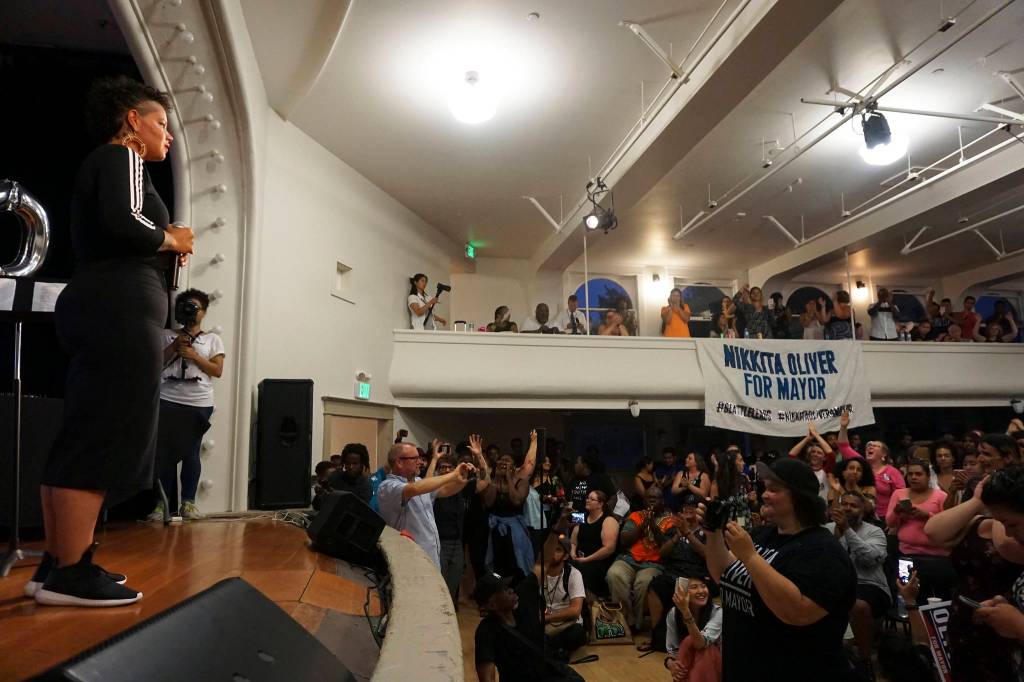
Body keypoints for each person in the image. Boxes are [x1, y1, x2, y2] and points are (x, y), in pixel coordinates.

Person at [31, 76, 194, 608]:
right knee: (102, 435)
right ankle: (71, 573)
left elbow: (120, 228)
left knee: (82, 434)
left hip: (103, 306)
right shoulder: (123, 158)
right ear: (132, 121)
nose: (166, 137)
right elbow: (126, 222)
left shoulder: (105, 166)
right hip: (119, 312)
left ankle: (59, 561)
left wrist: (163, 251)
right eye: (161, 124)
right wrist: (172, 237)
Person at [703, 458, 856, 681]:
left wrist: (750, 557)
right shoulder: (763, 534)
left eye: (774, 489)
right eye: (765, 488)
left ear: (799, 498)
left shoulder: (824, 551)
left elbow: (795, 612)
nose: (764, 495)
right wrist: (713, 532)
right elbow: (723, 575)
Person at [925, 467, 1024, 681]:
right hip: (971, 625)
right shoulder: (980, 518)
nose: (1009, 531)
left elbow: (1006, 544)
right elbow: (933, 531)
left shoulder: (1010, 540)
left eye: (1012, 524)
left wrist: (1019, 626)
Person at [148, 288, 224, 521]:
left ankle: (188, 503)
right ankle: (162, 504)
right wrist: (174, 347)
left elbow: (217, 370)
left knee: (191, 453)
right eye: (186, 305)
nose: (190, 310)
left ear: (204, 312)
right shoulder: (166, 335)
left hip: (198, 402)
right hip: (167, 399)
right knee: (165, 454)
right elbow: (155, 364)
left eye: (195, 306)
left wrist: (195, 356)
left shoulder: (213, 339)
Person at [472, 538, 585, 682]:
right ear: (492, 605)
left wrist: (558, 527)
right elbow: (486, 676)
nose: (512, 590)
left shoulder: (523, 600)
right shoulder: (486, 631)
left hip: (547, 672)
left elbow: (540, 564)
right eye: (505, 590)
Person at [376, 442, 475, 566]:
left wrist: (463, 479)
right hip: (409, 560)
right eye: (415, 459)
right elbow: (414, 489)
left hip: (430, 556)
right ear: (399, 462)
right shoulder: (388, 486)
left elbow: (445, 490)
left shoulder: (419, 481)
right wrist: (454, 474)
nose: (420, 462)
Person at [827, 491, 889, 673]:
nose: (847, 508)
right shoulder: (826, 529)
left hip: (869, 584)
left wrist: (847, 530)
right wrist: (836, 533)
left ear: (863, 510)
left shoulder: (875, 531)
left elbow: (869, 559)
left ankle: (865, 660)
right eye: (844, 504)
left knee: (858, 606)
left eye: (853, 505)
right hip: (836, 585)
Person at [607, 486, 676, 632]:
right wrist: (642, 527)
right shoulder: (636, 516)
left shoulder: (671, 521)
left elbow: (666, 546)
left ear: (662, 501)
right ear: (644, 500)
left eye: (655, 498)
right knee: (614, 574)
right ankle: (626, 622)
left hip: (653, 563)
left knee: (643, 583)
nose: (651, 501)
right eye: (648, 498)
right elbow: (624, 540)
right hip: (629, 559)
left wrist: (652, 525)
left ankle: (637, 625)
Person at [646, 496, 709, 653]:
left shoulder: (706, 531)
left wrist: (688, 533)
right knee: (655, 586)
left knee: (684, 588)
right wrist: (676, 536)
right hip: (672, 573)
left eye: (692, 506)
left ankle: (685, 639)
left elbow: (707, 555)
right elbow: (662, 553)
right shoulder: (673, 530)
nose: (688, 509)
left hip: (696, 575)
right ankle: (657, 636)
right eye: (686, 506)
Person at [886, 460, 955, 601]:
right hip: (907, 555)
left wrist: (926, 516)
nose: (914, 477)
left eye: (918, 474)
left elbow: (949, 524)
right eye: (910, 474)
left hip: (937, 557)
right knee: (908, 597)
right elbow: (890, 522)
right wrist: (897, 511)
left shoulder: (941, 496)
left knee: (937, 599)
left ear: (928, 476)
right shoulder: (899, 494)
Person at [483, 431, 539, 578]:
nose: (503, 464)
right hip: (495, 530)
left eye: (507, 462)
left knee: (517, 564)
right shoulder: (493, 481)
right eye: (501, 461)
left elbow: (516, 500)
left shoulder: (522, 482)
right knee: (497, 566)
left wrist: (508, 478)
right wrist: (496, 479)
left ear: (514, 467)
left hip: (515, 529)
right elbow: (488, 503)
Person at [666, 576, 723, 680]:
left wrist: (686, 612)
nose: (701, 591)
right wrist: (670, 664)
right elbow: (673, 650)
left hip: (718, 663)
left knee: (698, 645)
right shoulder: (673, 613)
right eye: (694, 587)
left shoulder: (718, 612)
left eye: (703, 586)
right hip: (688, 660)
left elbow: (701, 644)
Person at [541, 535, 589, 657]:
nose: (552, 553)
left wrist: (547, 618)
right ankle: (552, 650)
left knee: (577, 634)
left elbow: (575, 611)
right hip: (544, 623)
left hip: (567, 624)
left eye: (557, 550)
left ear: (566, 556)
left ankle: (546, 649)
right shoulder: (538, 573)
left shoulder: (574, 574)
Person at [569, 489, 618, 596]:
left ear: (600, 504)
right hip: (579, 558)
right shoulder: (581, 517)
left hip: (598, 563)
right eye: (587, 498)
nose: (587, 500)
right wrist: (572, 553)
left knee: (578, 570)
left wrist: (586, 559)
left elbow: (609, 549)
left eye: (592, 499)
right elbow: (573, 541)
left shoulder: (609, 520)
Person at [787, 422, 834, 500]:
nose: (815, 454)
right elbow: (791, 456)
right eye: (813, 452)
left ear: (824, 458)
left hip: (823, 509)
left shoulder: (827, 470)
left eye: (819, 453)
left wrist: (815, 434)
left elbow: (830, 454)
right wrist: (807, 438)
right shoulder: (804, 469)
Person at [709, 448, 753, 528]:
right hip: (724, 522)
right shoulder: (720, 481)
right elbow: (716, 503)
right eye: (740, 460)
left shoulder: (743, 478)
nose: (743, 463)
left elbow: (742, 507)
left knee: (740, 531)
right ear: (732, 463)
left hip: (741, 518)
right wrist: (746, 497)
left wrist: (751, 498)